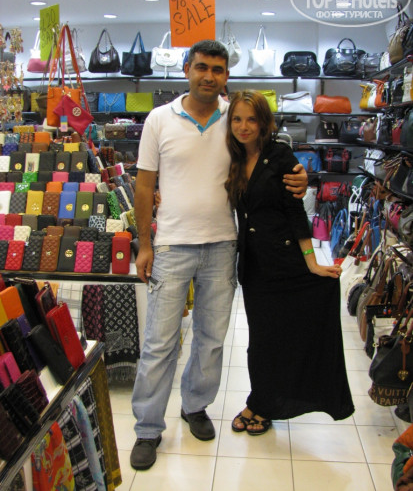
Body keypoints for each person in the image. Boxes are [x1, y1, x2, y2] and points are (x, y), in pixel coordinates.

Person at [130, 41, 308, 471]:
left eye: (218, 69)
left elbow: (270, 159)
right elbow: (143, 185)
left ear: (226, 75)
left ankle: (195, 405)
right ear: (187, 70)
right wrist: (145, 244)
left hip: (224, 245)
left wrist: (301, 175)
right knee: (159, 342)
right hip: (171, 245)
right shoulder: (159, 119)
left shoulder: (235, 119)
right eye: (201, 67)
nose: (209, 76)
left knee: (211, 338)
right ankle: (148, 428)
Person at [225, 90, 354, 435]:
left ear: (264, 122)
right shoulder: (233, 157)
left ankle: (260, 405)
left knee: (283, 337)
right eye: (237, 119)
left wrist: (311, 262)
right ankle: (263, 400)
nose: (243, 126)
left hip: (284, 263)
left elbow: (295, 212)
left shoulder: (279, 155)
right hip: (253, 266)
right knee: (261, 340)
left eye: (251, 119)